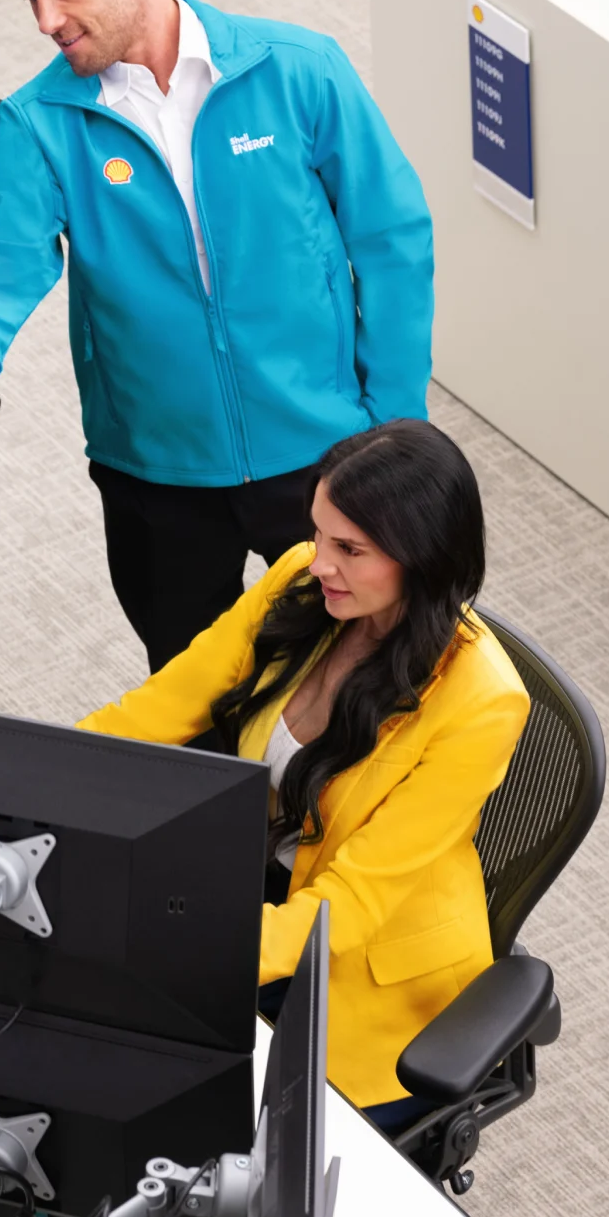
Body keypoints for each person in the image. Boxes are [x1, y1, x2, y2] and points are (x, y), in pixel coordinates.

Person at [0, 0, 433, 671]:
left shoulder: (296, 70)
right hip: (156, 473)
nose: (47, 20)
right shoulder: (39, 122)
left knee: (364, 673)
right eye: (31, 0)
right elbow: (4, 252)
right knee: (194, 700)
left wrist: (391, 428)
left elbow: (392, 242)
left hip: (325, 453)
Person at [77, 420, 530, 1121]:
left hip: (364, 977)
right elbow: (159, 707)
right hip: (257, 884)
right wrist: (35, 782)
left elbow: (351, 903)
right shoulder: (303, 584)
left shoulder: (482, 703)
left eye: (350, 549)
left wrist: (201, 953)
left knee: (180, 1120)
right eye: (319, 534)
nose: (320, 562)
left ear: (425, 558)